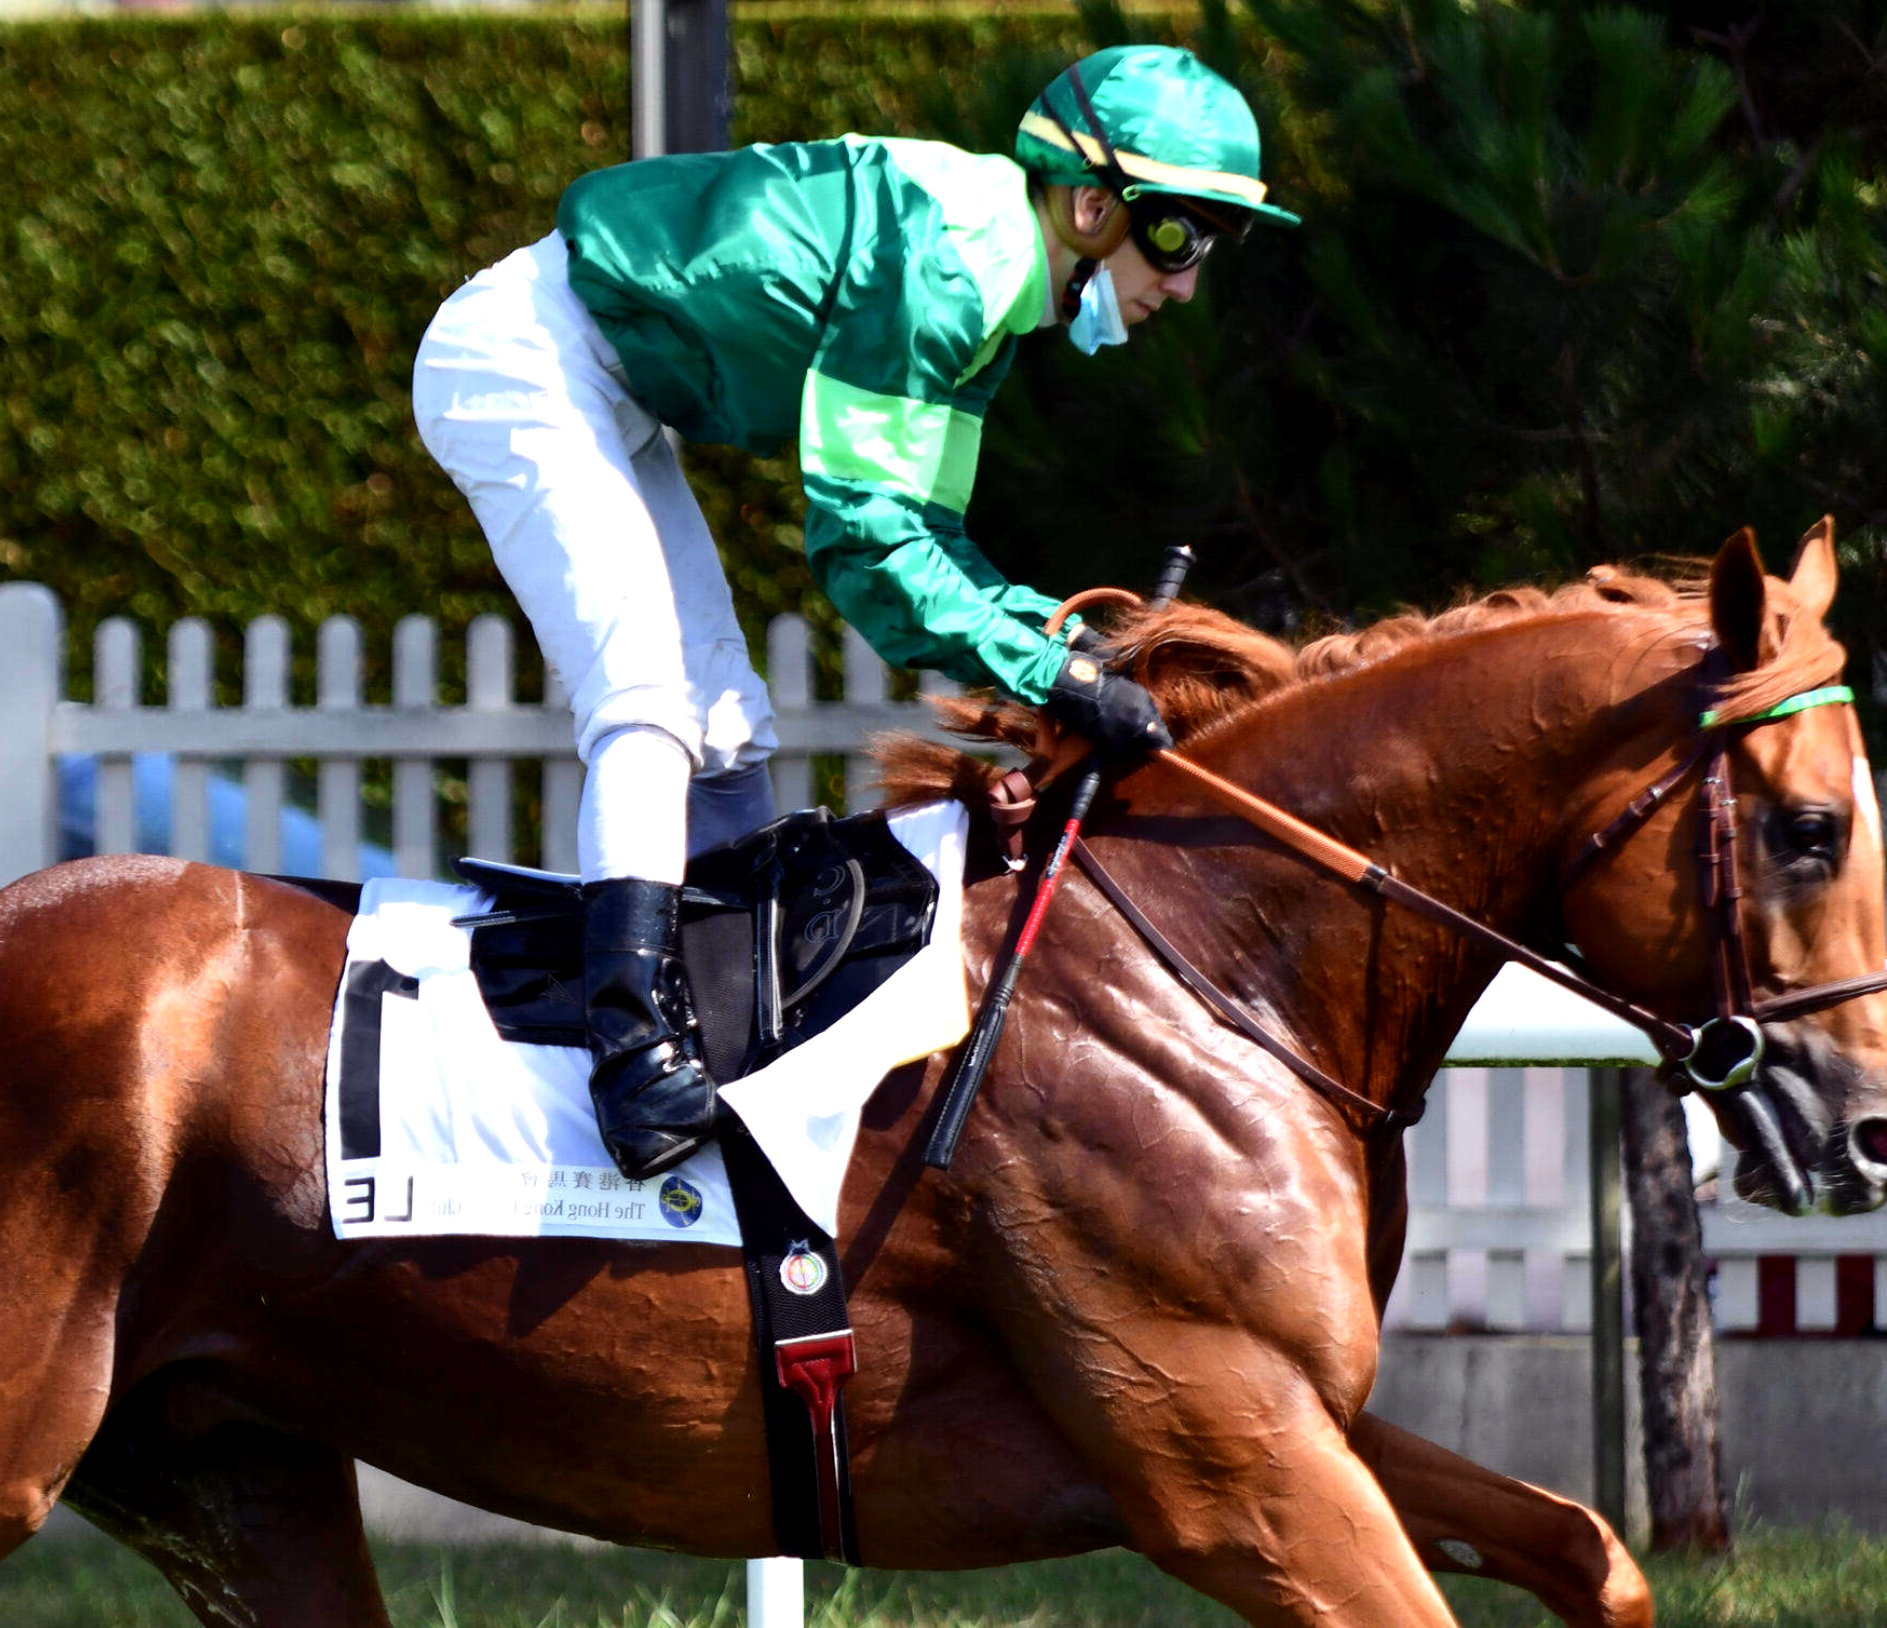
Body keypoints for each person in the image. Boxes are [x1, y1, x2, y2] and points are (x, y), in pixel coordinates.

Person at [412, 43, 1298, 1180]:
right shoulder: (952, 268)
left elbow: (924, 545)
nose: (1183, 281)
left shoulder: (992, 285)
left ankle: (730, 1014)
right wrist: (1055, 677)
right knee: (646, 693)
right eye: (1178, 235)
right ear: (1091, 205)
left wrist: (1052, 641)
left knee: (728, 711)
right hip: (523, 358)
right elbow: (866, 554)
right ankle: (632, 1048)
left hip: (603, 379)